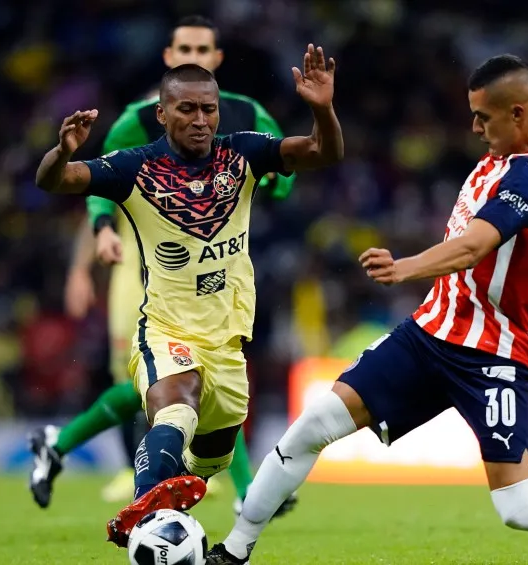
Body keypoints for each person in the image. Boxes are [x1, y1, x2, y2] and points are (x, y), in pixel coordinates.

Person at [205, 55, 528, 565]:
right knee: (314, 423)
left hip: (493, 355)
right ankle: (234, 550)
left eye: (483, 117)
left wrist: (403, 268)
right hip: (430, 333)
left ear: (518, 114)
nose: (475, 128)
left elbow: (475, 246)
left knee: (521, 508)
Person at [34, 44, 342, 548]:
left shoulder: (244, 153)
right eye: (187, 109)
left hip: (227, 341)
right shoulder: (134, 168)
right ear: (162, 114)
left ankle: (165, 500)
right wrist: (63, 151)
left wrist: (323, 109)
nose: (200, 120)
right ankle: (144, 516)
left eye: (208, 109)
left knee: (210, 461)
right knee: (176, 408)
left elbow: (323, 152)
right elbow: (56, 181)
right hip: (166, 329)